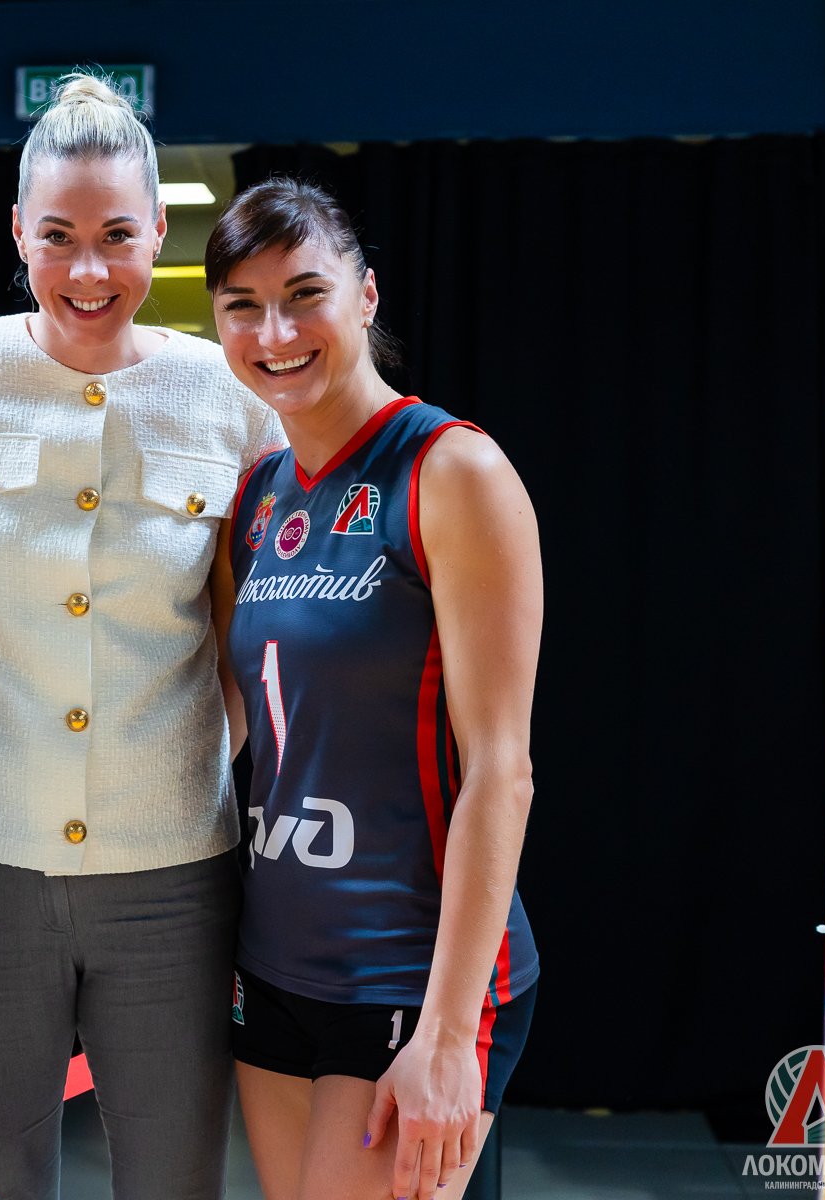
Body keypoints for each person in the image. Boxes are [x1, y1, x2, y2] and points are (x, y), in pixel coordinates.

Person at [0, 74, 285, 1200]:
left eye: (117, 237)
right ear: (18, 233)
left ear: (161, 231)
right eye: (57, 236)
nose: (88, 272)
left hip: (176, 872)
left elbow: (252, 625)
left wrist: (203, 761)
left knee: (175, 1179)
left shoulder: (228, 396)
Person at [206, 176, 541, 1200]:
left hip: (410, 977)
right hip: (273, 970)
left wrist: (447, 1031)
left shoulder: (451, 469)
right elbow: (233, 727)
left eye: (305, 294)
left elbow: (502, 770)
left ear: (366, 294)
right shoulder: (257, 498)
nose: (275, 333)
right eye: (243, 307)